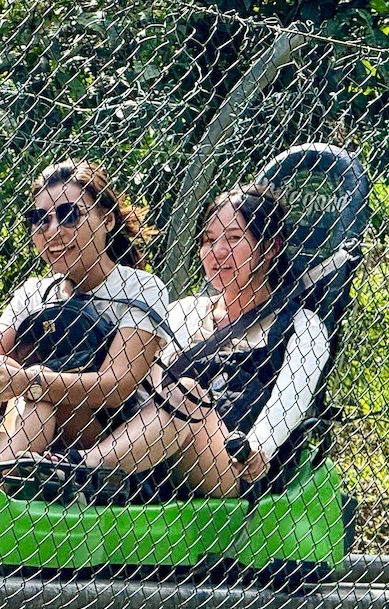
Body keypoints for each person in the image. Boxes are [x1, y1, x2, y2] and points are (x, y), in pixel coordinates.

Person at [67, 184, 330, 498]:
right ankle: (14, 472)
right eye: (208, 240)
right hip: (149, 447)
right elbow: (141, 389)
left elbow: (290, 403)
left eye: (234, 239)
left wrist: (260, 446)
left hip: (232, 465)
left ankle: (76, 472)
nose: (218, 252)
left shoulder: (302, 325)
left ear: (270, 247)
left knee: (187, 393)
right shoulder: (183, 312)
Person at [0, 160, 170, 464]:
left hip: (106, 435)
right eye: (40, 218)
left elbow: (118, 385)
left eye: (69, 215)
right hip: (36, 415)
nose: (52, 230)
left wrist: (30, 380)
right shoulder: (33, 291)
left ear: (107, 220)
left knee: (38, 386)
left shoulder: (140, 287)